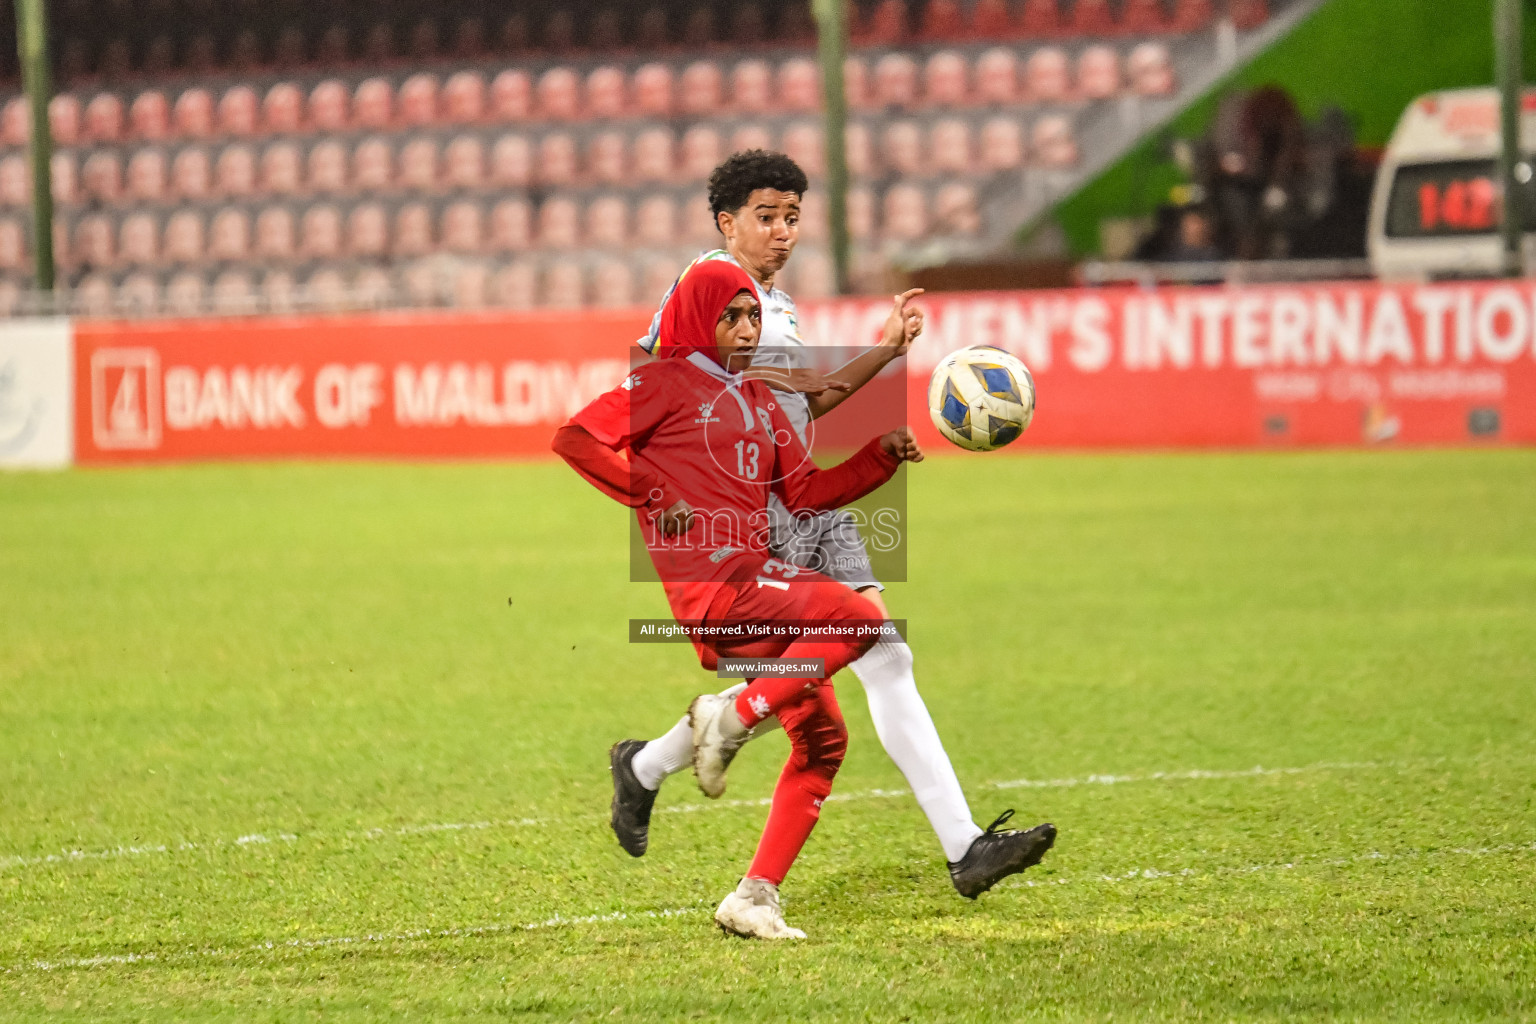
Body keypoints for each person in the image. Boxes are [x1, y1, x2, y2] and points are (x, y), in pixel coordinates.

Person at [606, 150, 1055, 900]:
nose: (783, 232)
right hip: (749, 516)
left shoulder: (774, 308)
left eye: (792, 217)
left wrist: (886, 349)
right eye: (765, 217)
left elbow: (801, 404)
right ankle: (656, 764)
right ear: (727, 222)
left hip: (806, 504)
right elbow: (646, 389)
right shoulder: (702, 291)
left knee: (881, 657)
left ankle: (963, 847)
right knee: (839, 673)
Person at [553, 261, 919, 938]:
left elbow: (805, 493)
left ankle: (752, 898)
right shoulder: (663, 382)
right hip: (718, 586)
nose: (747, 330)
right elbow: (576, 437)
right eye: (731, 316)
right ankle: (731, 716)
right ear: (698, 319)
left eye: (753, 316)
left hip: (758, 584)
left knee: (823, 743)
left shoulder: (753, 398)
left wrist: (879, 457)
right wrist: (653, 492)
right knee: (862, 617)